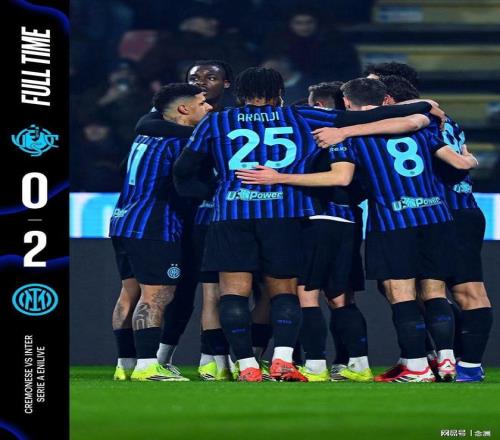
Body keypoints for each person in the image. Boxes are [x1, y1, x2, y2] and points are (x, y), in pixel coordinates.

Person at [173, 67, 435, 382]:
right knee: (284, 291)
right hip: (285, 214)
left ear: (239, 94)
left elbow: (184, 169)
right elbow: (360, 118)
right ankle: (283, 360)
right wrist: (423, 106)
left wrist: (212, 192)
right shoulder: (301, 116)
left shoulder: (216, 121)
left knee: (233, 293)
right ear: (279, 92)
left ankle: (247, 364)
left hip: (233, 213)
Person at [237, 78, 479, 382]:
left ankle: (415, 366)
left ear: (347, 103)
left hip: (393, 220)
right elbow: (458, 162)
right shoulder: (420, 125)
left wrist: (279, 177)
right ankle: (445, 361)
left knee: (400, 294)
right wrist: (469, 156)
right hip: (436, 217)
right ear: (385, 99)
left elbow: (341, 178)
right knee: (433, 292)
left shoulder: (346, 136)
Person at [379, 74, 493, 383]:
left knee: (440, 290)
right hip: (463, 208)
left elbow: (456, 161)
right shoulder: (447, 120)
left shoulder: (416, 121)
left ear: (389, 99)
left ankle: (457, 362)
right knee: (434, 289)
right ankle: (452, 361)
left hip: (442, 212)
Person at [109, 83, 212, 381]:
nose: (208, 108)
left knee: (129, 293)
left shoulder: (145, 136)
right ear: (183, 109)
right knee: (158, 294)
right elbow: (186, 186)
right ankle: (147, 365)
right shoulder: (180, 143)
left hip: (123, 219)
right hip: (155, 225)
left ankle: (125, 364)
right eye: (202, 103)